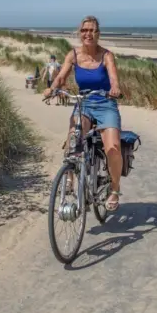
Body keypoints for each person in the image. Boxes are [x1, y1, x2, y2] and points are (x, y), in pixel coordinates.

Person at [44, 15, 124, 211]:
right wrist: (52, 88)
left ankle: (114, 189)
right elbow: (62, 77)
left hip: (105, 103)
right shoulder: (73, 55)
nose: (88, 34)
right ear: (79, 33)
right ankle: (71, 179)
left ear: (98, 33)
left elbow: (114, 78)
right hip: (84, 104)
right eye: (84, 30)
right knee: (73, 139)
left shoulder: (106, 55)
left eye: (92, 30)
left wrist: (115, 88)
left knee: (112, 147)